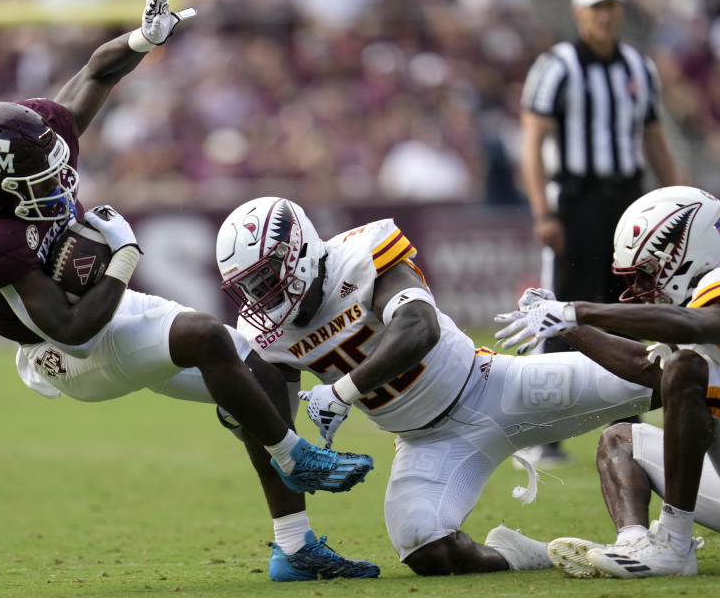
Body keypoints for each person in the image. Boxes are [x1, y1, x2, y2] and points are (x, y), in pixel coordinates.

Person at [0, 0, 378, 582]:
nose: (56, 185)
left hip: (97, 307)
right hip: (63, 351)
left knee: (263, 373)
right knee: (207, 337)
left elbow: (97, 74)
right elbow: (71, 332)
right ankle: (293, 455)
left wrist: (142, 39)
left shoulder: (36, 138)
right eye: (37, 182)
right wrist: (122, 253)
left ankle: (294, 548)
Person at [214, 195, 668, 576]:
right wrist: (244, 417)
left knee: (665, 380)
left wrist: (343, 391)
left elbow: (418, 328)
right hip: (425, 441)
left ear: (299, 250)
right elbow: (274, 433)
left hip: (492, 387)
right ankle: (520, 553)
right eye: (249, 286)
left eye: (267, 276)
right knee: (425, 551)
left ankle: (671, 528)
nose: (263, 295)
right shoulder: (262, 333)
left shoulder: (361, 253)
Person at [494, 186, 720, 578]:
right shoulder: (692, 310)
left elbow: (701, 329)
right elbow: (646, 368)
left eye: (645, 273)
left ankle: (674, 545)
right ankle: (636, 544)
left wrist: (579, 312)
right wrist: (567, 326)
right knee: (620, 441)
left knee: (685, 368)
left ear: (683, 252)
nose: (640, 289)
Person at [515, 0, 682, 467]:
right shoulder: (558, 65)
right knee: (560, 311)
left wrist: (676, 194)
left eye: (613, 5)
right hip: (576, 198)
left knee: (628, 307)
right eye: (597, 7)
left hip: (628, 200)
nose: (606, 15)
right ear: (578, 13)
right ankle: (544, 428)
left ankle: (627, 421)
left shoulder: (637, 65)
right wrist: (543, 210)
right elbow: (532, 142)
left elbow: (654, 139)